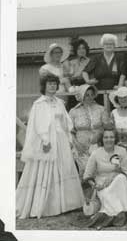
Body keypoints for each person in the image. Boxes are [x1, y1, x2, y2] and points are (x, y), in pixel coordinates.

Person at [16, 74, 84, 219]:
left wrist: (68, 136)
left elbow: (66, 120)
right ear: (44, 86)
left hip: (61, 139)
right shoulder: (39, 104)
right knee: (46, 171)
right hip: (48, 140)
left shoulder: (59, 102)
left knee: (64, 168)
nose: (52, 86)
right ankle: (47, 206)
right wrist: (46, 141)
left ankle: (66, 204)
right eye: (50, 84)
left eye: (54, 84)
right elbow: (39, 124)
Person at [84, 128, 127, 229]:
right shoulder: (96, 153)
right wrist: (95, 186)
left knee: (121, 178)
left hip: (119, 183)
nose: (109, 140)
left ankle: (124, 210)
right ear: (102, 139)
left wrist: (114, 175)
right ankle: (120, 212)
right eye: (106, 137)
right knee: (109, 198)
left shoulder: (122, 151)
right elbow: (87, 176)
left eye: (112, 137)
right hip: (102, 185)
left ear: (115, 138)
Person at [69, 84, 108, 177]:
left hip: (98, 146)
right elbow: (69, 131)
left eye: (91, 94)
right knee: (85, 173)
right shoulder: (74, 111)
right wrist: (77, 145)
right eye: (87, 95)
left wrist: (99, 134)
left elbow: (108, 127)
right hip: (80, 149)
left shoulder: (101, 109)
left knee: (99, 172)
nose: (90, 97)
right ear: (81, 95)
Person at [82, 34, 125, 103]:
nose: (109, 45)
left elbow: (123, 73)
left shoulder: (119, 57)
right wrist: (88, 81)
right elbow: (85, 72)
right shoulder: (96, 58)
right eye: (106, 44)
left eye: (111, 43)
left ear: (114, 45)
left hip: (115, 91)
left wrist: (120, 86)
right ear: (102, 45)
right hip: (99, 92)